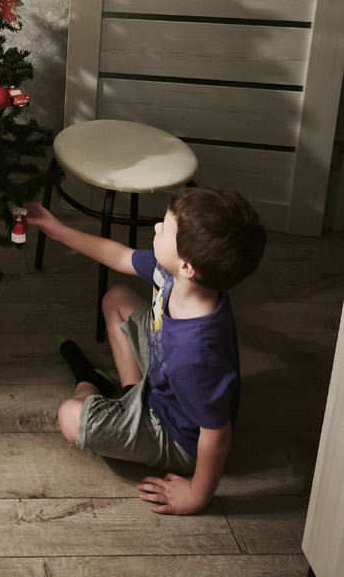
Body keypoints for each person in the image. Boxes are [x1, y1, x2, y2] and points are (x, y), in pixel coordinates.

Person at [24, 185, 266, 515]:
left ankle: (89, 382)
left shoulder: (196, 356)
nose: (156, 227)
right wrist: (58, 230)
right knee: (117, 299)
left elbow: (216, 435)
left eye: (165, 228)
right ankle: (130, 393)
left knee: (70, 417)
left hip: (176, 435)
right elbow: (120, 256)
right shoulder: (177, 273)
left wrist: (196, 495)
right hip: (160, 379)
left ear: (187, 265)